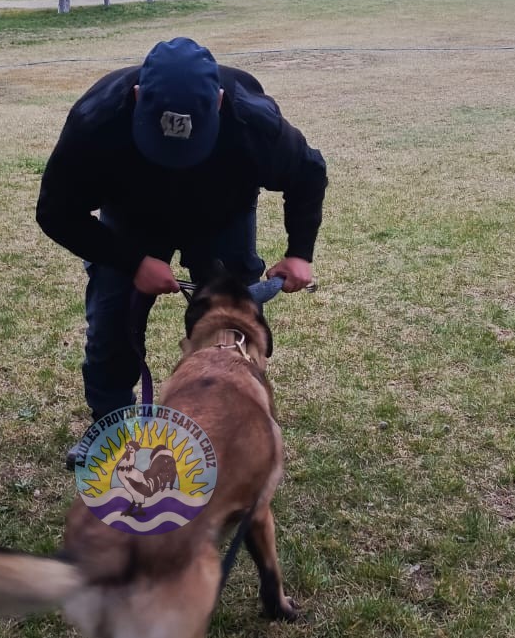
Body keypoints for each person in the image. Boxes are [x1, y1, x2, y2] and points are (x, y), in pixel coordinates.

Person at [37, 36, 327, 420]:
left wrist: (299, 253)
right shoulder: (96, 121)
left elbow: (307, 173)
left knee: (231, 324)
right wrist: (132, 261)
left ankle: (227, 422)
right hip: (131, 220)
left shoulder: (252, 120)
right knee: (112, 323)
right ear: (137, 97)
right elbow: (55, 212)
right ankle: (109, 429)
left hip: (223, 218)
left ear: (220, 102)